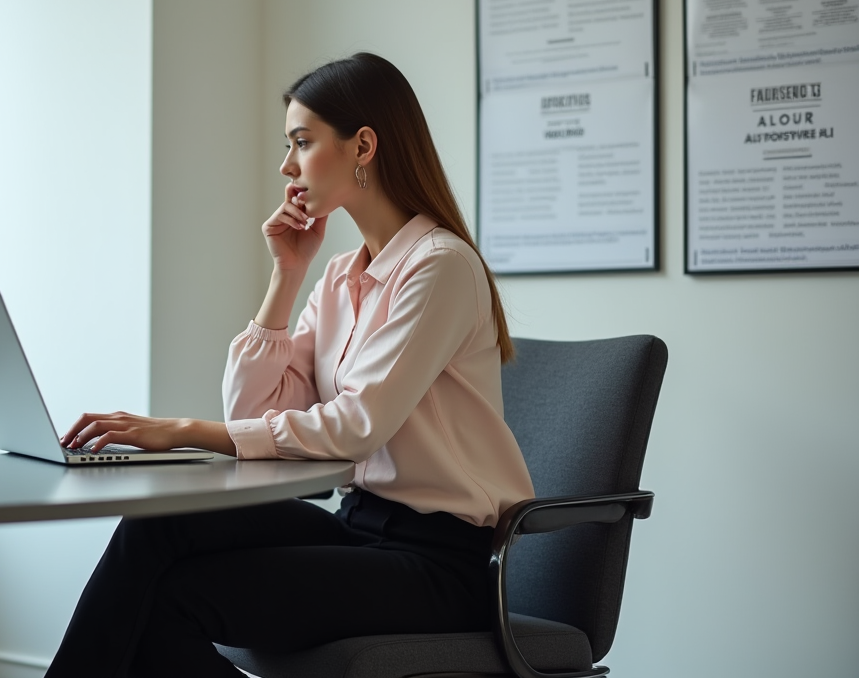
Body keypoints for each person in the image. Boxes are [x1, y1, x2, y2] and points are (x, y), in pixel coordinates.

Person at [44, 52, 534, 678]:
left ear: (363, 146)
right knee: (156, 527)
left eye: (302, 142)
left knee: (173, 599)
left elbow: (356, 427)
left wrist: (184, 431)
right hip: (359, 525)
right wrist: (288, 274)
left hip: (438, 563)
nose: (287, 165)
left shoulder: (440, 266)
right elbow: (252, 414)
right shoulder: (340, 275)